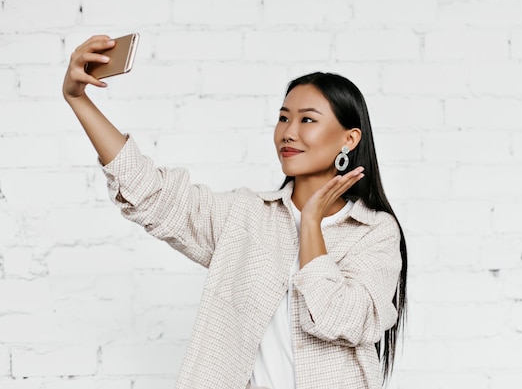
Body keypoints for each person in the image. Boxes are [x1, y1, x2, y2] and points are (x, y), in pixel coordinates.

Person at [62, 35, 408, 389]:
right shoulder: (244, 215)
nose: (288, 133)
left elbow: (342, 320)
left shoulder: (373, 231)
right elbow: (150, 193)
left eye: (307, 120)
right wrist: (79, 101)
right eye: (283, 118)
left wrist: (311, 226)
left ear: (348, 139)